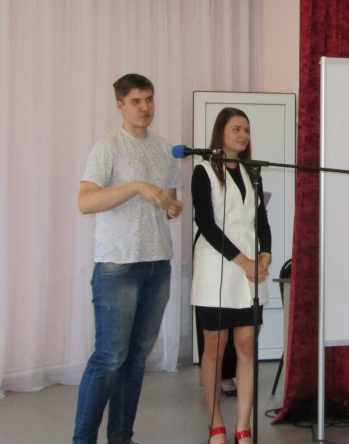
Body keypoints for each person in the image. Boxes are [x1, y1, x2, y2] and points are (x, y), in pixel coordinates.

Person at [73, 74, 183, 444]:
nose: (145, 107)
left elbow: (168, 203)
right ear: (120, 106)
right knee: (109, 358)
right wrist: (135, 186)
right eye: (136, 101)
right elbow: (85, 202)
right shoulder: (108, 146)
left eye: (149, 99)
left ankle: (121, 438)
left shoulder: (164, 149)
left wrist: (171, 208)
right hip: (117, 266)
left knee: (136, 359)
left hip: (157, 264)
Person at [190, 107, 272, 444]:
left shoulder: (252, 172)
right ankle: (216, 423)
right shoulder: (204, 170)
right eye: (236, 129)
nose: (243, 135)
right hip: (217, 267)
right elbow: (206, 224)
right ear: (220, 132)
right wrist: (244, 261)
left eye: (246, 130)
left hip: (250, 269)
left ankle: (243, 425)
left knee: (247, 345)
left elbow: (261, 219)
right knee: (215, 346)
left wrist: (265, 254)